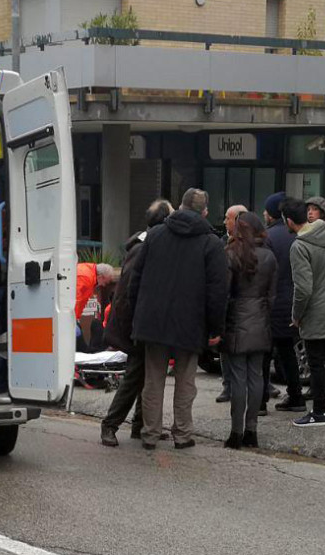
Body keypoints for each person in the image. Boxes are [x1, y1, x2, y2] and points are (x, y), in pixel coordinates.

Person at [127, 188, 228, 450]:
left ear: (180, 206)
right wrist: (216, 327)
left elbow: (135, 279)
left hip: (153, 320)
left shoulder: (155, 235)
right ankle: (183, 434)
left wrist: (136, 314)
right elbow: (218, 290)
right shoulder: (211, 243)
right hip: (191, 322)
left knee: (153, 380)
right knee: (185, 381)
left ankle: (150, 433)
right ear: (205, 212)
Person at [101, 199, 174, 447]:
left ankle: (140, 425)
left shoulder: (147, 244)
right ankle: (109, 424)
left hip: (143, 323)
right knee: (135, 377)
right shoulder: (143, 248)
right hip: (137, 325)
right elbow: (128, 294)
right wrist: (134, 328)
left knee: (148, 376)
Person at [283, 199, 325, 427]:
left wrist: (296, 315)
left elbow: (303, 288)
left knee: (315, 362)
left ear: (289, 221)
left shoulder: (299, 246)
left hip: (315, 311)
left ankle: (319, 411)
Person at [221, 212, 277, 449]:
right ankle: (251, 430)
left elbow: (224, 293)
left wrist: (219, 324)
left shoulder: (231, 254)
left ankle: (236, 431)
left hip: (236, 320)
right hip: (261, 319)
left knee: (237, 379)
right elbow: (272, 295)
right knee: (257, 377)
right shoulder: (269, 257)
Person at [265, 195, 306, 413]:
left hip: (272, 303)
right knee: (287, 352)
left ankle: (260, 401)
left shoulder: (269, 236)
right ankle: (296, 395)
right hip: (293, 303)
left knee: (263, 353)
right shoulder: (299, 237)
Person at [216, 203, 250, 404]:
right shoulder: (224, 243)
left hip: (240, 305)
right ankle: (228, 385)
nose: (224, 222)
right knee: (225, 349)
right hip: (234, 306)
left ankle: (235, 387)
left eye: (227, 218)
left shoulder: (251, 248)